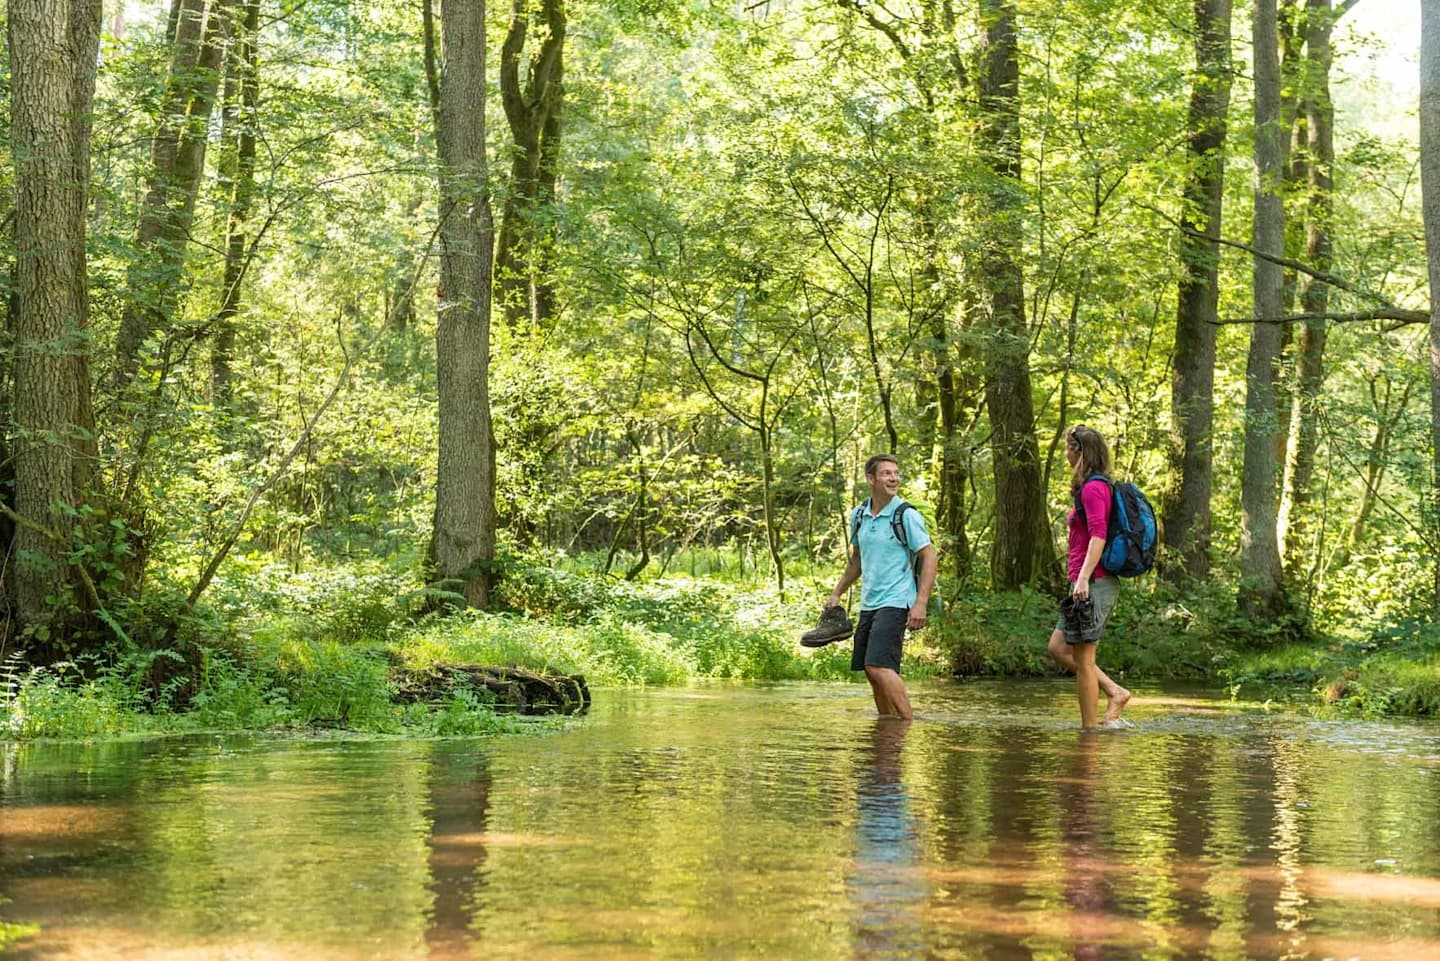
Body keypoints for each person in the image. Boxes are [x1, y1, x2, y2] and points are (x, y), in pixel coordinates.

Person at [824, 454, 938, 720]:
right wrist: (837, 593)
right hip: (869, 603)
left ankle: (908, 722)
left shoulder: (906, 515)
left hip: (897, 600)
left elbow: (929, 556)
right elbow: (857, 561)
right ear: (871, 479)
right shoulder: (859, 515)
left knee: (879, 666)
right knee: (870, 670)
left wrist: (921, 603)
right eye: (887, 473)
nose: (894, 478)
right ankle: (888, 725)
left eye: (896, 473)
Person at [1047, 425, 1131, 730]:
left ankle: (1089, 733)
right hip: (1085, 582)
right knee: (1058, 648)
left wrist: (1082, 579)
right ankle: (1114, 691)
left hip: (1094, 582)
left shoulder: (1094, 489)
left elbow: (1098, 536)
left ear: (1079, 451)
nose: (1065, 454)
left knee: (1084, 661)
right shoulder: (1091, 487)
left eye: (1067, 448)